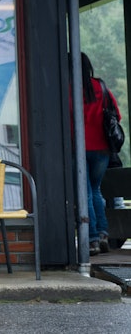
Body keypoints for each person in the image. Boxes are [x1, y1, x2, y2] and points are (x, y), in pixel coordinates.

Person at [76, 52, 123, 255]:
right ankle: (103, 233)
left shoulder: (68, 89)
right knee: (95, 191)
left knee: (85, 193)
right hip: (102, 150)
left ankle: (93, 239)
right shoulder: (101, 87)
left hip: (78, 149)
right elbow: (117, 115)